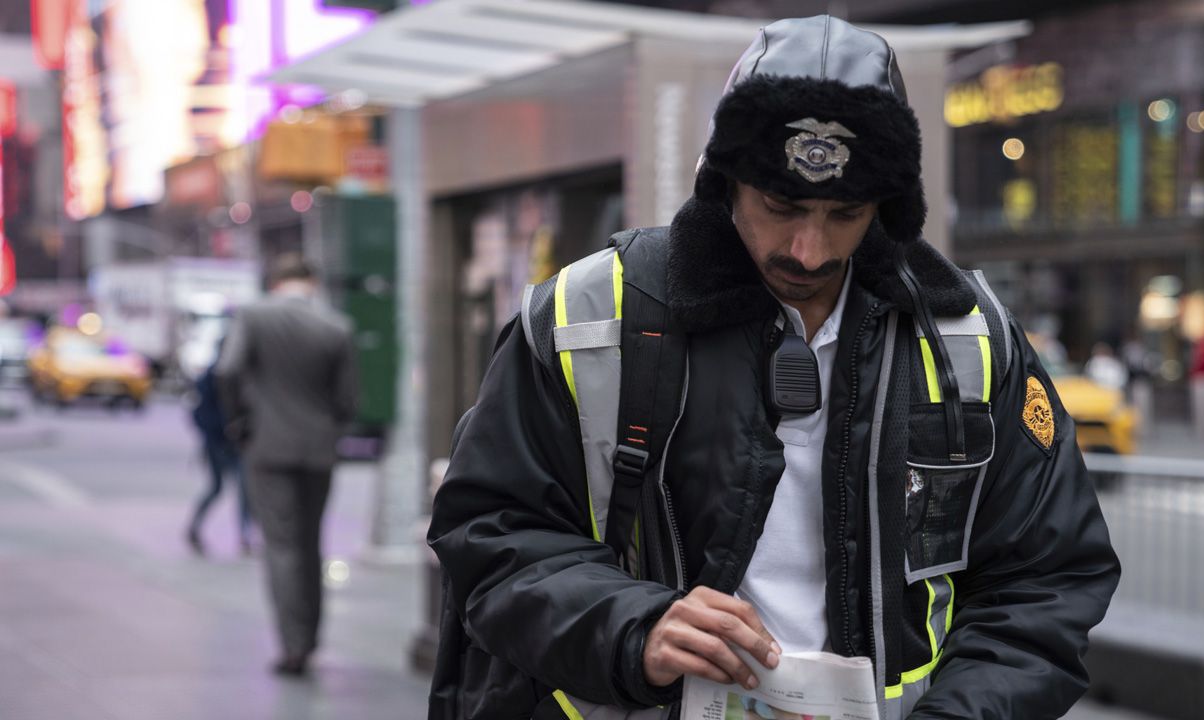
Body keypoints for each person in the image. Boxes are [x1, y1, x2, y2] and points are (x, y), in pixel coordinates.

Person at [428, 16, 1119, 720]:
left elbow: (1046, 578)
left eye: (844, 213)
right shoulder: (583, 315)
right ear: (725, 182)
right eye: (781, 205)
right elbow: (490, 531)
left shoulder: (973, 335)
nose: (809, 250)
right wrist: (633, 627)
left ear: (886, 208)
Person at [216, 254, 357, 677]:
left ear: (276, 281)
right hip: (318, 450)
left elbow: (227, 370)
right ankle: (311, 638)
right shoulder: (337, 327)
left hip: (268, 447)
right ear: (310, 282)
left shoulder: (254, 316)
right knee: (311, 543)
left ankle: (292, 645)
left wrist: (239, 421)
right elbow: (348, 401)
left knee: (281, 547)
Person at [186, 342, 252, 556]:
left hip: (231, 443)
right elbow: (199, 413)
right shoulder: (214, 377)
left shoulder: (235, 376)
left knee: (241, 490)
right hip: (219, 443)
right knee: (219, 488)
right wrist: (222, 430)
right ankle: (195, 528)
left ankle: (245, 537)